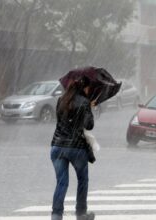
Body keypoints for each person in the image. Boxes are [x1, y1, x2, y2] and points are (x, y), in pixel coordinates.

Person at [50, 76, 96, 220]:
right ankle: (81, 213)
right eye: (89, 88)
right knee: (82, 180)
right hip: (76, 148)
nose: (90, 91)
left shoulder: (61, 100)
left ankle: (56, 215)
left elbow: (62, 121)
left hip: (57, 146)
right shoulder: (84, 102)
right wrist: (89, 108)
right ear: (84, 88)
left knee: (61, 182)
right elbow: (89, 125)